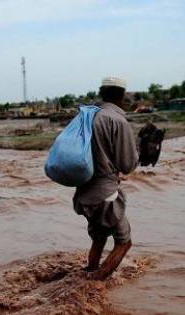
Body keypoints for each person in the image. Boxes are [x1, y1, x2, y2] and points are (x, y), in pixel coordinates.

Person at [73, 77, 139, 281]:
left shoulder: (88, 116)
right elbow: (127, 164)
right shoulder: (117, 120)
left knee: (100, 239)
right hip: (106, 194)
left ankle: (89, 272)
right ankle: (94, 283)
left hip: (84, 192)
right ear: (122, 96)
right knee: (124, 242)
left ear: (102, 93)